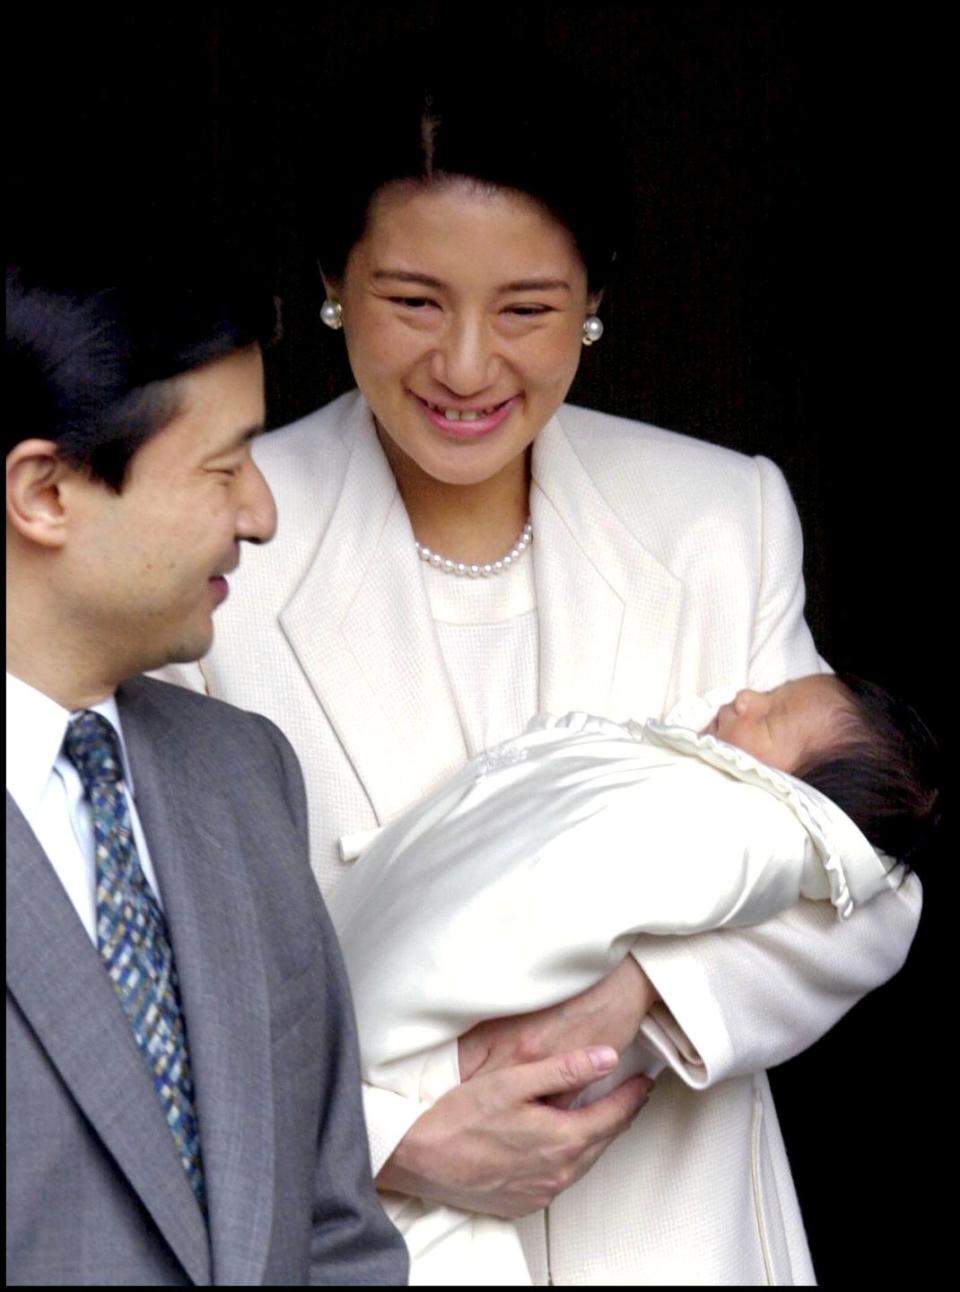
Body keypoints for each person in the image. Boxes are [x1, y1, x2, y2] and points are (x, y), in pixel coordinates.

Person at [160, 67, 923, 1284]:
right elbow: (151, 968)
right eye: (413, 298)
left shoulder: (718, 514)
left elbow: (863, 879)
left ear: (596, 301)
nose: (467, 366)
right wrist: (398, 1138)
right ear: (331, 288)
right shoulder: (218, 534)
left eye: (526, 309)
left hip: (682, 1235)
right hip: (376, 1239)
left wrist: (634, 1003)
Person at [5, 256, 409, 1286]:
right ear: (45, 491)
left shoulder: (241, 775)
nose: (262, 513)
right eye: (224, 468)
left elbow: (338, 1232)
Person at [329, 673, 941, 1281]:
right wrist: (390, 1139)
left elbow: (872, 886)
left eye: (774, 717)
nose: (748, 696)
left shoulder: (760, 821)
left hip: (660, 1219)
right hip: (369, 1057)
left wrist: (644, 977)